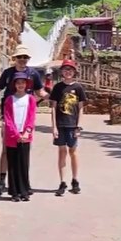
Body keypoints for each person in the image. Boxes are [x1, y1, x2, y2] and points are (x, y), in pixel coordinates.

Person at [0, 46, 45, 197]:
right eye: (20, 57)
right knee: (6, 149)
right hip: (9, 116)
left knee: (23, 153)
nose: (22, 60)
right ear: (15, 58)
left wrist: (54, 96)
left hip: (24, 117)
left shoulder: (33, 73)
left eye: (25, 57)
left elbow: (39, 92)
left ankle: (23, 184)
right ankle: (2, 180)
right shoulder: (8, 73)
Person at [49, 60, 86, 196]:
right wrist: (53, 127)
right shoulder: (58, 87)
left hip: (72, 124)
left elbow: (81, 108)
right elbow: (53, 107)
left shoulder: (78, 87)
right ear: (62, 72)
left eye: (70, 69)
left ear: (74, 72)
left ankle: (75, 180)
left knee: (73, 152)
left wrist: (79, 126)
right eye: (65, 69)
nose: (68, 72)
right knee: (62, 152)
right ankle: (62, 181)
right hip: (60, 124)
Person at [1, 73, 37, 201]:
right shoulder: (10, 100)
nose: (20, 85)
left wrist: (27, 132)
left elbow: (31, 117)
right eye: (18, 83)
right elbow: (8, 118)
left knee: (23, 163)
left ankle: (24, 190)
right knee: (13, 164)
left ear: (26, 84)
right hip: (12, 136)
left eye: (23, 82)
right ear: (14, 85)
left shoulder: (31, 99)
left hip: (25, 135)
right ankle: (14, 192)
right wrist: (16, 134)